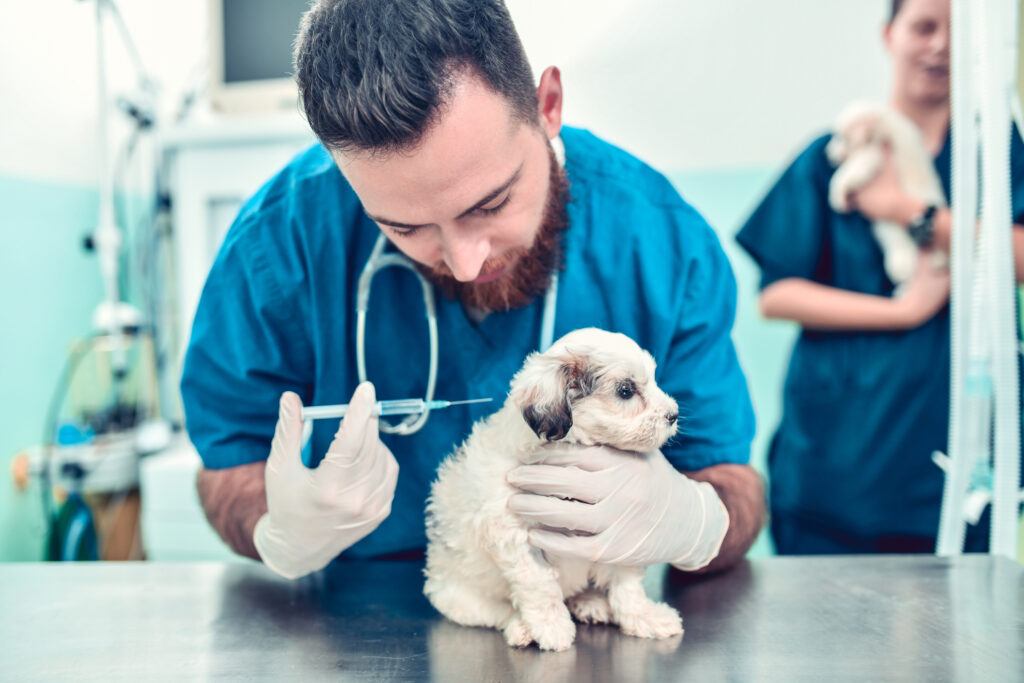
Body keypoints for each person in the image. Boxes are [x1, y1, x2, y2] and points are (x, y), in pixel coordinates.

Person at [181, 0, 764, 580]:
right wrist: (277, 527)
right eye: (404, 227)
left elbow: (732, 481)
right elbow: (228, 466)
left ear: (547, 106)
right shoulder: (283, 238)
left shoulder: (660, 240)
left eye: (490, 205)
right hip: (361, 616)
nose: (465, 263)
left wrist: (693, 522)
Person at [737, 0, 1024, 554]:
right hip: (837, 466)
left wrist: (909, 213)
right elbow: (776, 295)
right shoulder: (831, 158)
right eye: (923, 27)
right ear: (889, 35)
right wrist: (903, 311)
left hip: (953, 464)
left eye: (954, 32)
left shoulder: (995, 155)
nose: (939, 46)